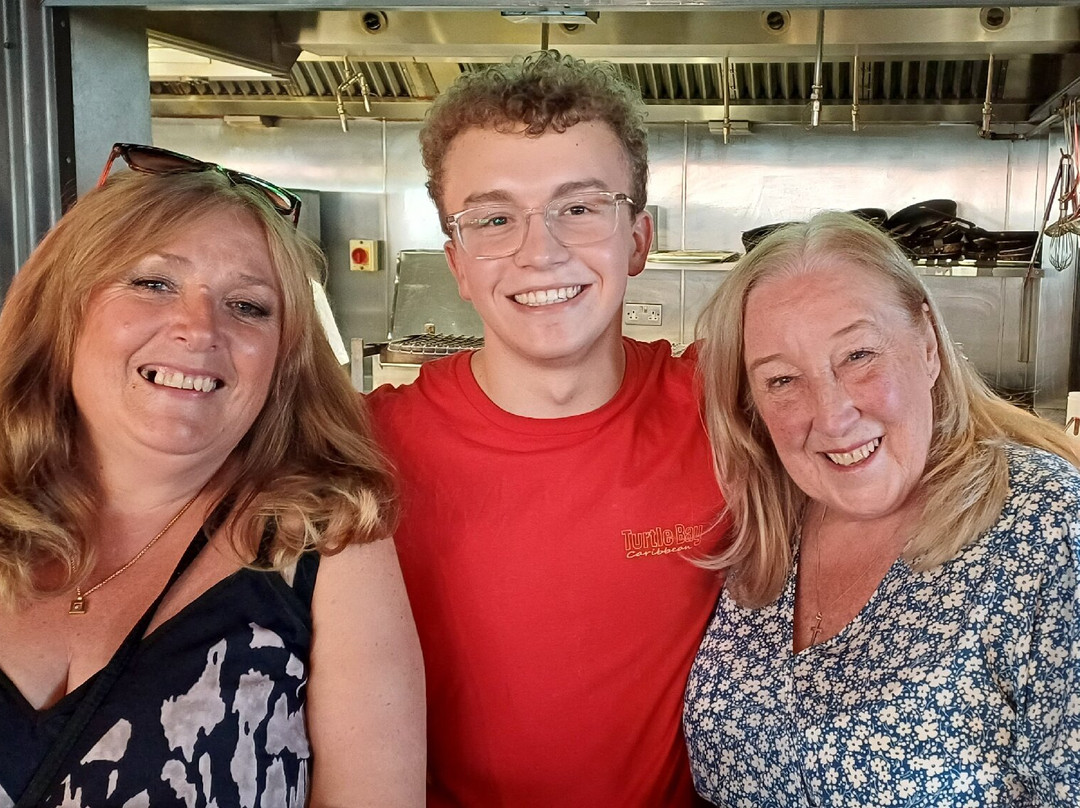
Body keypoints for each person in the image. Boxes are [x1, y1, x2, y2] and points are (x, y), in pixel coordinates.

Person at [0, 144, 425, 808]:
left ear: (283, 362)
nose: (199, 330)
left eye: (248, 306)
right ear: (63, 310)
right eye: (153, 283)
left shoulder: (322, 545)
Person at [367, 51, 725, 806]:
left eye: (581, 208)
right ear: (458, 264)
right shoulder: (365, 452)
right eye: (495, 219)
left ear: (638, 240)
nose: (541, 252)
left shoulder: (727, 412)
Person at [684, 211, 1080, 806]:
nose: (832, 416)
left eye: (858, 355)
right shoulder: (769, 517)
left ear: (928, 345)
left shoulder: (1046, 524)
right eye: (783, 380)